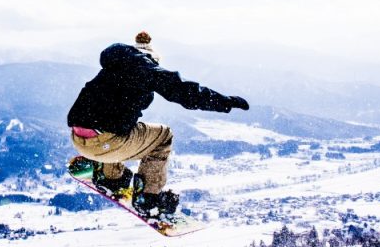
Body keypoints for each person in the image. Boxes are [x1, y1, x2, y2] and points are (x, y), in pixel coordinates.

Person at [67, 32, 249, 217]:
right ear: (151, 60)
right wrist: (225, 102)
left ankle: (110, 176)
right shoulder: (146, 70)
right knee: (163, 135)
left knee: (125, 126)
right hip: (107, 144)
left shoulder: (113, 66)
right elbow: (185, 92)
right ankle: (148, 197)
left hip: (78, 139)